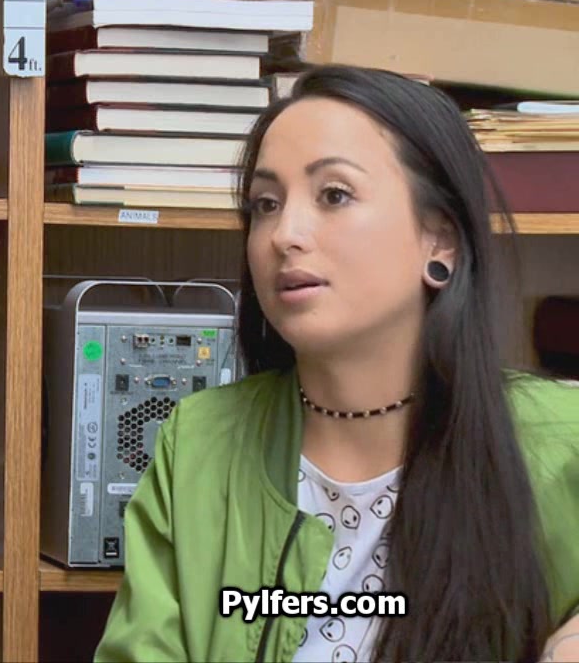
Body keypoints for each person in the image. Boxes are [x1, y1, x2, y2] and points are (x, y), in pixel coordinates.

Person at [93, 65, 579, 663]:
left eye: (334, 195)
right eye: (266, 204)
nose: (285, 234)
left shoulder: (561, 439)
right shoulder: (200, 445)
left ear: (441, 240)